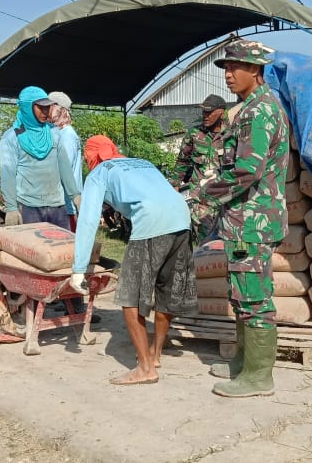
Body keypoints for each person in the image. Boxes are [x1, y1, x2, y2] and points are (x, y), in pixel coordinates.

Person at [191, 38, 290, 398]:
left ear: (256, 70)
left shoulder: (258, 112)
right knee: (241, 295)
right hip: (245, 219)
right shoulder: (248, 107)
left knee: (253, 298)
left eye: (236, 68)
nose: (228, 74)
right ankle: (244, 364)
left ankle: (258, 377)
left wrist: (202, 196)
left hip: (253, 221)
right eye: (226, 68)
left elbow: (247, 170)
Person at [68, 135, 195, 385]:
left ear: (91, 157)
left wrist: (79, 269)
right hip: (182, 220)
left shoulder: (98, 173)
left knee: (130, 297)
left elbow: (88, 219)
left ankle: (145, 368)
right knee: (166, 292)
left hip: (151, 223)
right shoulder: (142, 162)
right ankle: (155, 354)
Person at [0, 86, 81, 228]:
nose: (45, 112)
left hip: (58, 207)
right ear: (27, 107)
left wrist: (76, 196)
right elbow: (8, 175)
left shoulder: (54, 132)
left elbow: (64, 167)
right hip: (29, 208)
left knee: (62, 249)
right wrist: (11, 208)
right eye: (40, 107)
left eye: (47, 107)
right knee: (33, 249)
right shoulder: (11, 138)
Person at [171, 93, 227, 245]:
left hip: (225, 198)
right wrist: (174, 184)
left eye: (209, 112)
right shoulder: (195, 134)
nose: (205, 115)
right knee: (205, 242)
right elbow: (182, 160)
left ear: (221, 112)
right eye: (203, 112)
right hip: (200, 198)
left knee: (225, 243)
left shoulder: (231, 134)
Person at [47, 91, 83, 232]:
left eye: (49, 108)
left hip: (68, 206)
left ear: (58, 109)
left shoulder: (67, 135)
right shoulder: (59, 133)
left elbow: (63, 168)